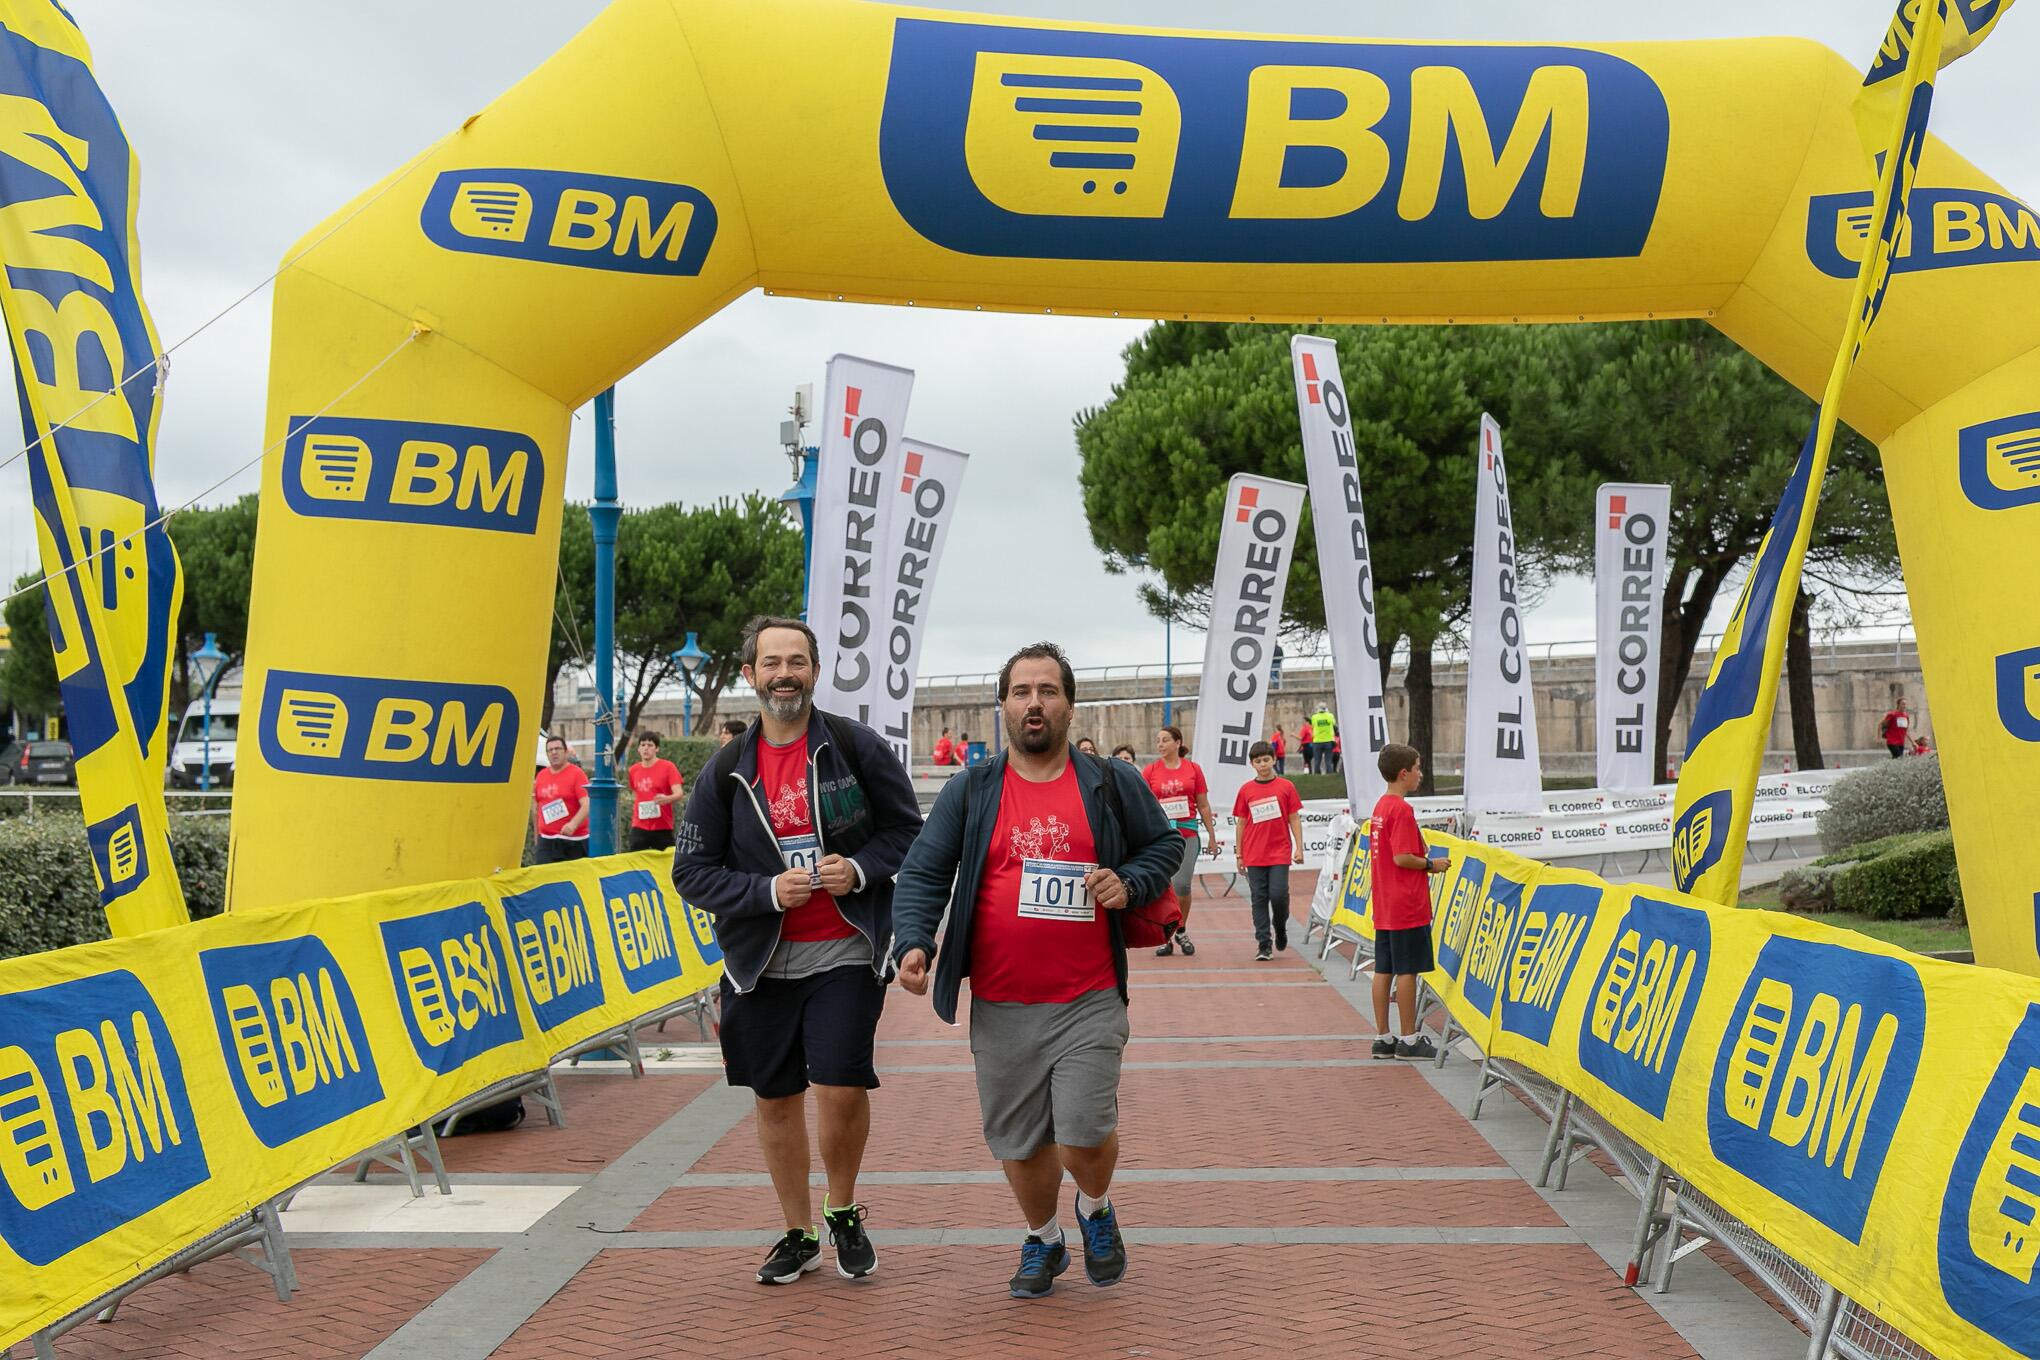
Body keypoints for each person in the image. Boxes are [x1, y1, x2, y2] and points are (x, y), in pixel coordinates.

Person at [891, 642, 1181, 1299]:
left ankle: (1096, 1207)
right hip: (1000, 1001)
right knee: (1019, 1146)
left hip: (1088, 996)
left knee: (1081, 1135)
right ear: (1003, 706)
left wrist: (1129, 883)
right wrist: (913, 942)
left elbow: (1166, 843)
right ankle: (1045, 1240)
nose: (1034, 703)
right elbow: (925, 872)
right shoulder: (974, 788)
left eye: (1048, 691)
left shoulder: (1110, 783)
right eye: (1022, 691)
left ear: (1069, 707)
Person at [672, 615, 924, 1287]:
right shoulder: (724, 771)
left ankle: (841, 1209)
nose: (786, 673)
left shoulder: (852, 745)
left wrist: (861, 870)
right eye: (772, 662)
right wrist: (762, 891)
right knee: (775, 1098)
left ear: (816, 670)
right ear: (749, 675)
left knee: (840, 1085)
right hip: (756, 963)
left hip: (844, 948)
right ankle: (797, 1231)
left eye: (798, 661)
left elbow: (907, 830)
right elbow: (690, 873)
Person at [1369, 743, 1450, 1060]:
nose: (1420, 774)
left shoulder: (1381, 806)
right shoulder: (1401, 810)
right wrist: (1432, 864)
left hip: (1386, 903)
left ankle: (1383, 1037)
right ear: (1404, 773)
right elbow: (1403, 857)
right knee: (1407, 971)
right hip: (1406, 903)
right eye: (1417, 768)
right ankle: (1409, 1038)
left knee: (1383, 969)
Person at [1143, 725, 1218, 957]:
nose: (1160, 745)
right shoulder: (1150, 771)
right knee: (1162, 887)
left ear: (1178, 743)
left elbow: (1203, 805)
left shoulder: (1193, 769)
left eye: (1165, 740)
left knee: (1182, 885)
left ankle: (1180, 928)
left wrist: (1212, 837)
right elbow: (1144, 805)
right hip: (1160, 838)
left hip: (1187, 835)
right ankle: (1165, 935)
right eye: (1158, 741)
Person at [1231, 741, 1304, 961]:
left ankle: (1280, 926)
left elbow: (1294, 818)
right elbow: (1241, 823)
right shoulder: (1246, 790)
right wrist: (1239, 854)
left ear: (1273, 759)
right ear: (1252, 764)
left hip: (1279, 851)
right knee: (1259, 898)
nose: (1263, 765)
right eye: (1258, 761)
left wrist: (1299, 847)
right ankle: (1264, 944)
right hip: (1254, 853)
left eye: (1266, 760)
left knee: (1279, 894)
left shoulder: (1286, 787)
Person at [532, 735, 590, 863]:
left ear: (565, 751)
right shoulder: (541, 776)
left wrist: (573, 824)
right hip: (547, 841)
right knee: (545, 879)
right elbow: (536, 809)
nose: (554, 752)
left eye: (557, 749)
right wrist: (537, 838)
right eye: (550, 750)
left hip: (574, 841)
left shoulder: (577, 774)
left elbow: (586, 805)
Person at [626, 732, 684, 851]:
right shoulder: (633, 770)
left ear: (657, 748)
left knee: (667, 860)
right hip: (639, 824)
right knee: (636, 858)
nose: (646, 748)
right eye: (643, 745)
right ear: (638, 749)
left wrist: (667, 799)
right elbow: (635, 792)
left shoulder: (668, 767)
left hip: (662, 825)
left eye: (650, 745)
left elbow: (679, 793)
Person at [1309, 705, 1337, 774]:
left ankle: (1317, 774)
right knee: (1328, 760)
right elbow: (1334, 723)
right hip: (1328, 740)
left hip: (1317, 741)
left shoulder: (1314, 717)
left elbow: (1312, 725)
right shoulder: (1330, 716)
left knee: (1317, 760)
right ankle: (1329, 773)